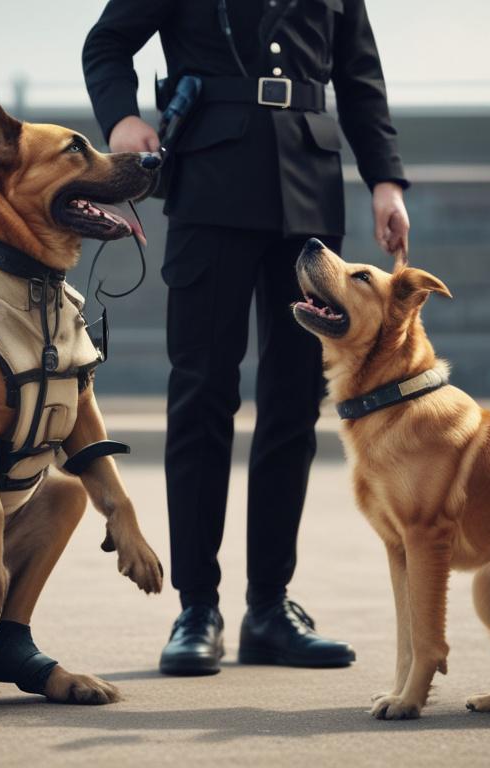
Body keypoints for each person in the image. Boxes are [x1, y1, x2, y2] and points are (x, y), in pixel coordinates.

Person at [83, 0, 410, 676]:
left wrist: (384, 179)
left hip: (311, 194)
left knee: (292, 405)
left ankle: (270, 607)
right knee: (202, 396)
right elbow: (107, 43)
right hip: (210, 184)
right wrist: (121, 118)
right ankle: (196, 607)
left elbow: (359, 75)